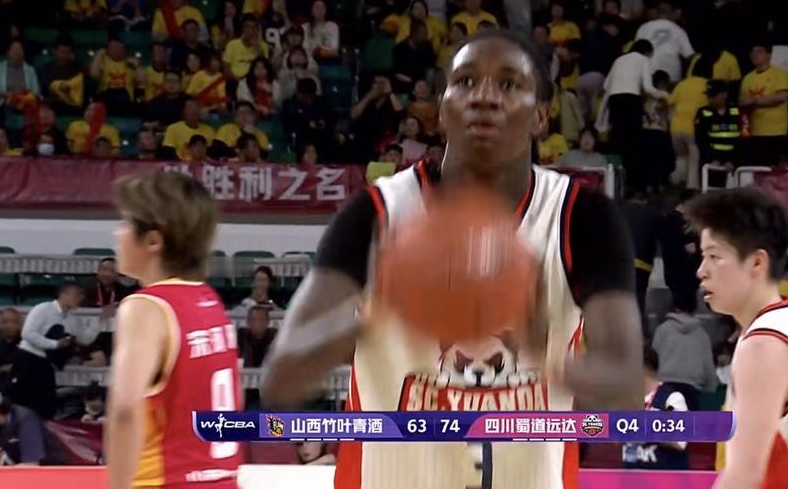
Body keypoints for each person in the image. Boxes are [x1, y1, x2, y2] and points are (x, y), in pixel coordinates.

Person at [261, 30, 644, 488]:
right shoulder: (377, 213)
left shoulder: (581, 217)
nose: (483, 96)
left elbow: (624, 390)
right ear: (442, 111)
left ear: (541, 116)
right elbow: (281, 380)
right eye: (465, 82)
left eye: (508, 84)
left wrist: (541, 348)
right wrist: (386, 312)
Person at [685, 188, 788, 487]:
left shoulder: (764, 345)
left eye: (714, 256)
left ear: (757, 262)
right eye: (702, 257)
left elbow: (744, 477)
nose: (701, 271)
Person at [106, 171, 240, 488]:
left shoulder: (145, 307)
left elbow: (125, 409)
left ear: (153, 240)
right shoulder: (208, 300)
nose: (117, 233)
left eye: (125, 223)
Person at [9, 282, 103, 420]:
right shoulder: (43, 309)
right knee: (21, 403)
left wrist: (99, 322)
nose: (80, 298)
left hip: (47, 366)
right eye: (77, 295)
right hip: (28, 361)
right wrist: (55, 344)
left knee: (45, 407)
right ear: (64, 295)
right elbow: (27, 333)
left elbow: (83, 340)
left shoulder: (71, 318)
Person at [598, 39, 666, 189]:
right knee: (634, 144)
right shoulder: (643, 59)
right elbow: (647, 87)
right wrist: (663, 95)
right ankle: (635, 185)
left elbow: (606, 85)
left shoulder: (619, 60)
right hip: (631, 101)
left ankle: (616, 184)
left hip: (615, 102)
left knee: (618, 141)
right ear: (648, 52)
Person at [652, 287, 718, 411]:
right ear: (694, 307)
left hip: (664, 389)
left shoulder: (663, 329)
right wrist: (711, 387)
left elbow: (652, 360)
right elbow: (708, 366)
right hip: (691, 392)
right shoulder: (701, 334)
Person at [739, 41, 788, 166]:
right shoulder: (747, 78)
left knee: (772, 168)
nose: (754, 54)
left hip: (775, 132)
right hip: (753, 131)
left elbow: (782, 96)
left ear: (769, 55)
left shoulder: (780, 73)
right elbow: (742, 100)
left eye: (759, 51)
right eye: (752, 52)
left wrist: (754, 100)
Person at [668, 57, 714, 190]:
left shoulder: (683, 84)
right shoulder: (707, 85)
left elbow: (670, 101)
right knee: (694, 159)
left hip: (676, 128)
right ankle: (691, 188)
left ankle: (676, 181)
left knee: (681, 157)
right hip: (693, 128)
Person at [351, 74, 406, 163]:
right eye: (376, 83)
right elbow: (354, 115)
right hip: (362, 144)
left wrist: (390, 92)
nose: (380, 86)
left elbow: (401, 114)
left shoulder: (392, 101)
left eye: (383, 83)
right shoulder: (366, 99)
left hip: (383, 147)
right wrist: (370, 95)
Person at [693, 81, 742, 180]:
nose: (711, 99)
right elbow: (701, 140)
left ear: (724, 95)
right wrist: (713, 159)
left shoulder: (737, 111)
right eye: (709, 96)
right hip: (712, 161)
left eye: (714, 95)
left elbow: (742, 139)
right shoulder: (703, 112)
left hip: (733, 162)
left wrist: (732, 160)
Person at [636, 3, 695, 82]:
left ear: (657, 12)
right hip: (671, 77)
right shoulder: (678, 29)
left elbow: (636, 52)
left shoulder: (644, 27)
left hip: (648, 74)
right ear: (672, 13)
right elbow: (689, 56)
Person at [0, 41, 41, 111]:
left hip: (26, 102)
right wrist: (5, 94)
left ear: (23, 53)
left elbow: (36, 91)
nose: (17, 52)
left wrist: (23, 97)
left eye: (19, 49)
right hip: (6, 102)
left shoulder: (30, 70)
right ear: (8, 52)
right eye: (14, 49)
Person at [0, 308, 24, 381]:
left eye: (13, 322)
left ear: (20, 325)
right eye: (4, 322)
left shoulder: (26, 344)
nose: (8, 325)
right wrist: (2, 369)